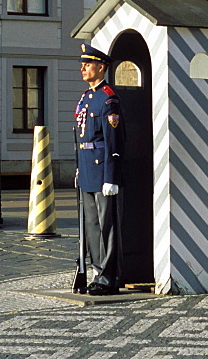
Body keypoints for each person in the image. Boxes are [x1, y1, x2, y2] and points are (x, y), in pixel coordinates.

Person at [75, 43, 126, 295]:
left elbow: (114, 140)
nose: (83, 67)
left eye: (88, 63)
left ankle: (109, 277)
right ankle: (98, 272)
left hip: (103, 169)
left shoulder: (108, 98)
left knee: (107, 226)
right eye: (83, 63)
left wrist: (111, 176)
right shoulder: (86, 97)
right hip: (87, 169)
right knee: (92, 225)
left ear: (101, 67)